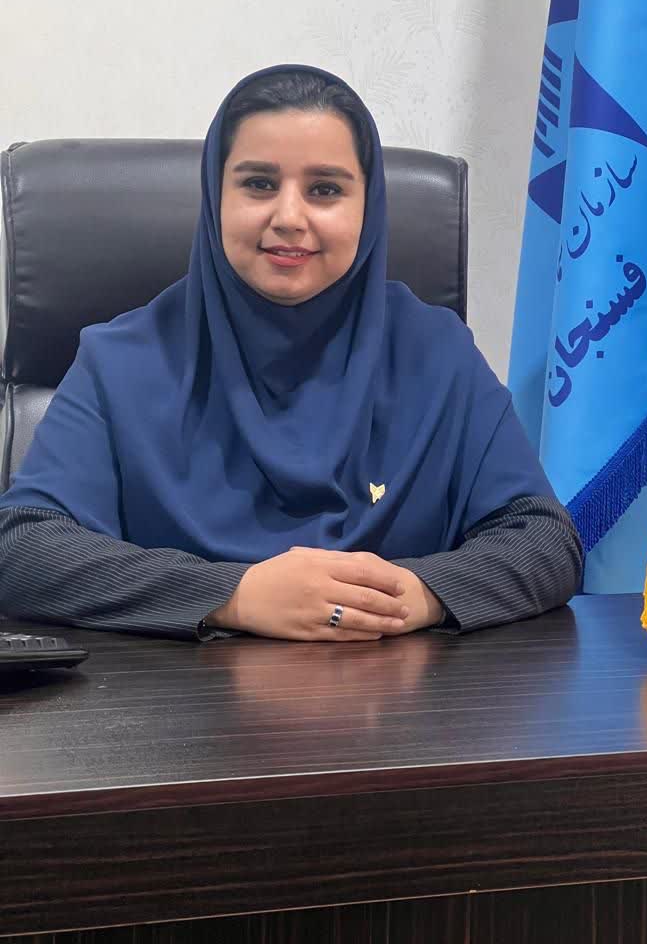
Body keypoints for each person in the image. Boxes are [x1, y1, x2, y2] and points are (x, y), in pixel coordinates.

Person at [0, 65, 582, 642]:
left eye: (325, 190)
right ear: (215, 195)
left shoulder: (435, 352)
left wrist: (416, 595)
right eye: (258, 184)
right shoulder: (121, 362)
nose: (288, 218)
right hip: (183, 696)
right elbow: (22, 548)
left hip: (402, 693)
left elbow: (546, 541)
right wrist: (232, 596)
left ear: (369, 207)